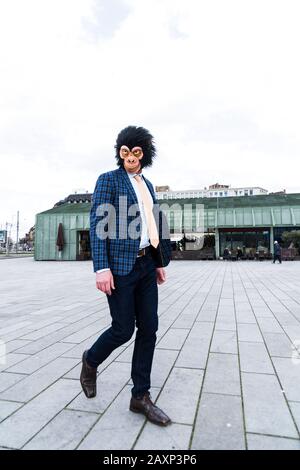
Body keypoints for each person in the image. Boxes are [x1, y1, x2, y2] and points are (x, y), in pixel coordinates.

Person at [80, 126, 172, 427]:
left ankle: (140, 396)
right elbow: (98, 225)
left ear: (144, 154)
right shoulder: (109, 180)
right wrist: (101, 268)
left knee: (149, 328)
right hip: (119, 268)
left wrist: (158, 261)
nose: (131, 157)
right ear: (120, 152)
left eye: (137, 152)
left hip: (146, 265)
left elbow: (153, 223)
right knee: (122, 329)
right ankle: (91, 360)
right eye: (126, 151)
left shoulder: (149, 184)